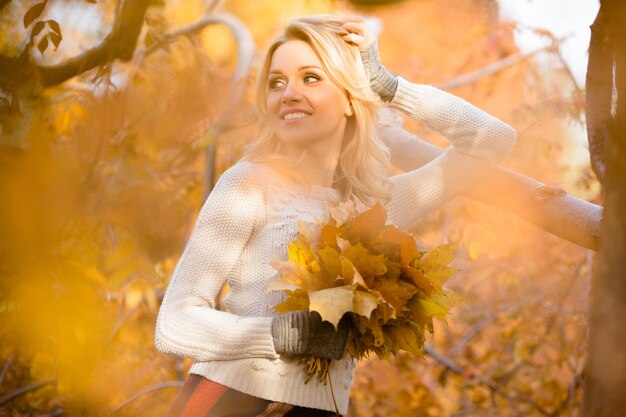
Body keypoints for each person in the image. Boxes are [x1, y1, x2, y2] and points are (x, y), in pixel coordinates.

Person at [154, 14, 517, 417]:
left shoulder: (372, 206)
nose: (288, 93)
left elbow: (494, 141)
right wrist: (278, 335)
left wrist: (388, 87)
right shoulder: (249, 183)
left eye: (311, 78)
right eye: (277, 82)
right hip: (230, 402)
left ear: (349, 98)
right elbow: (174, 323)